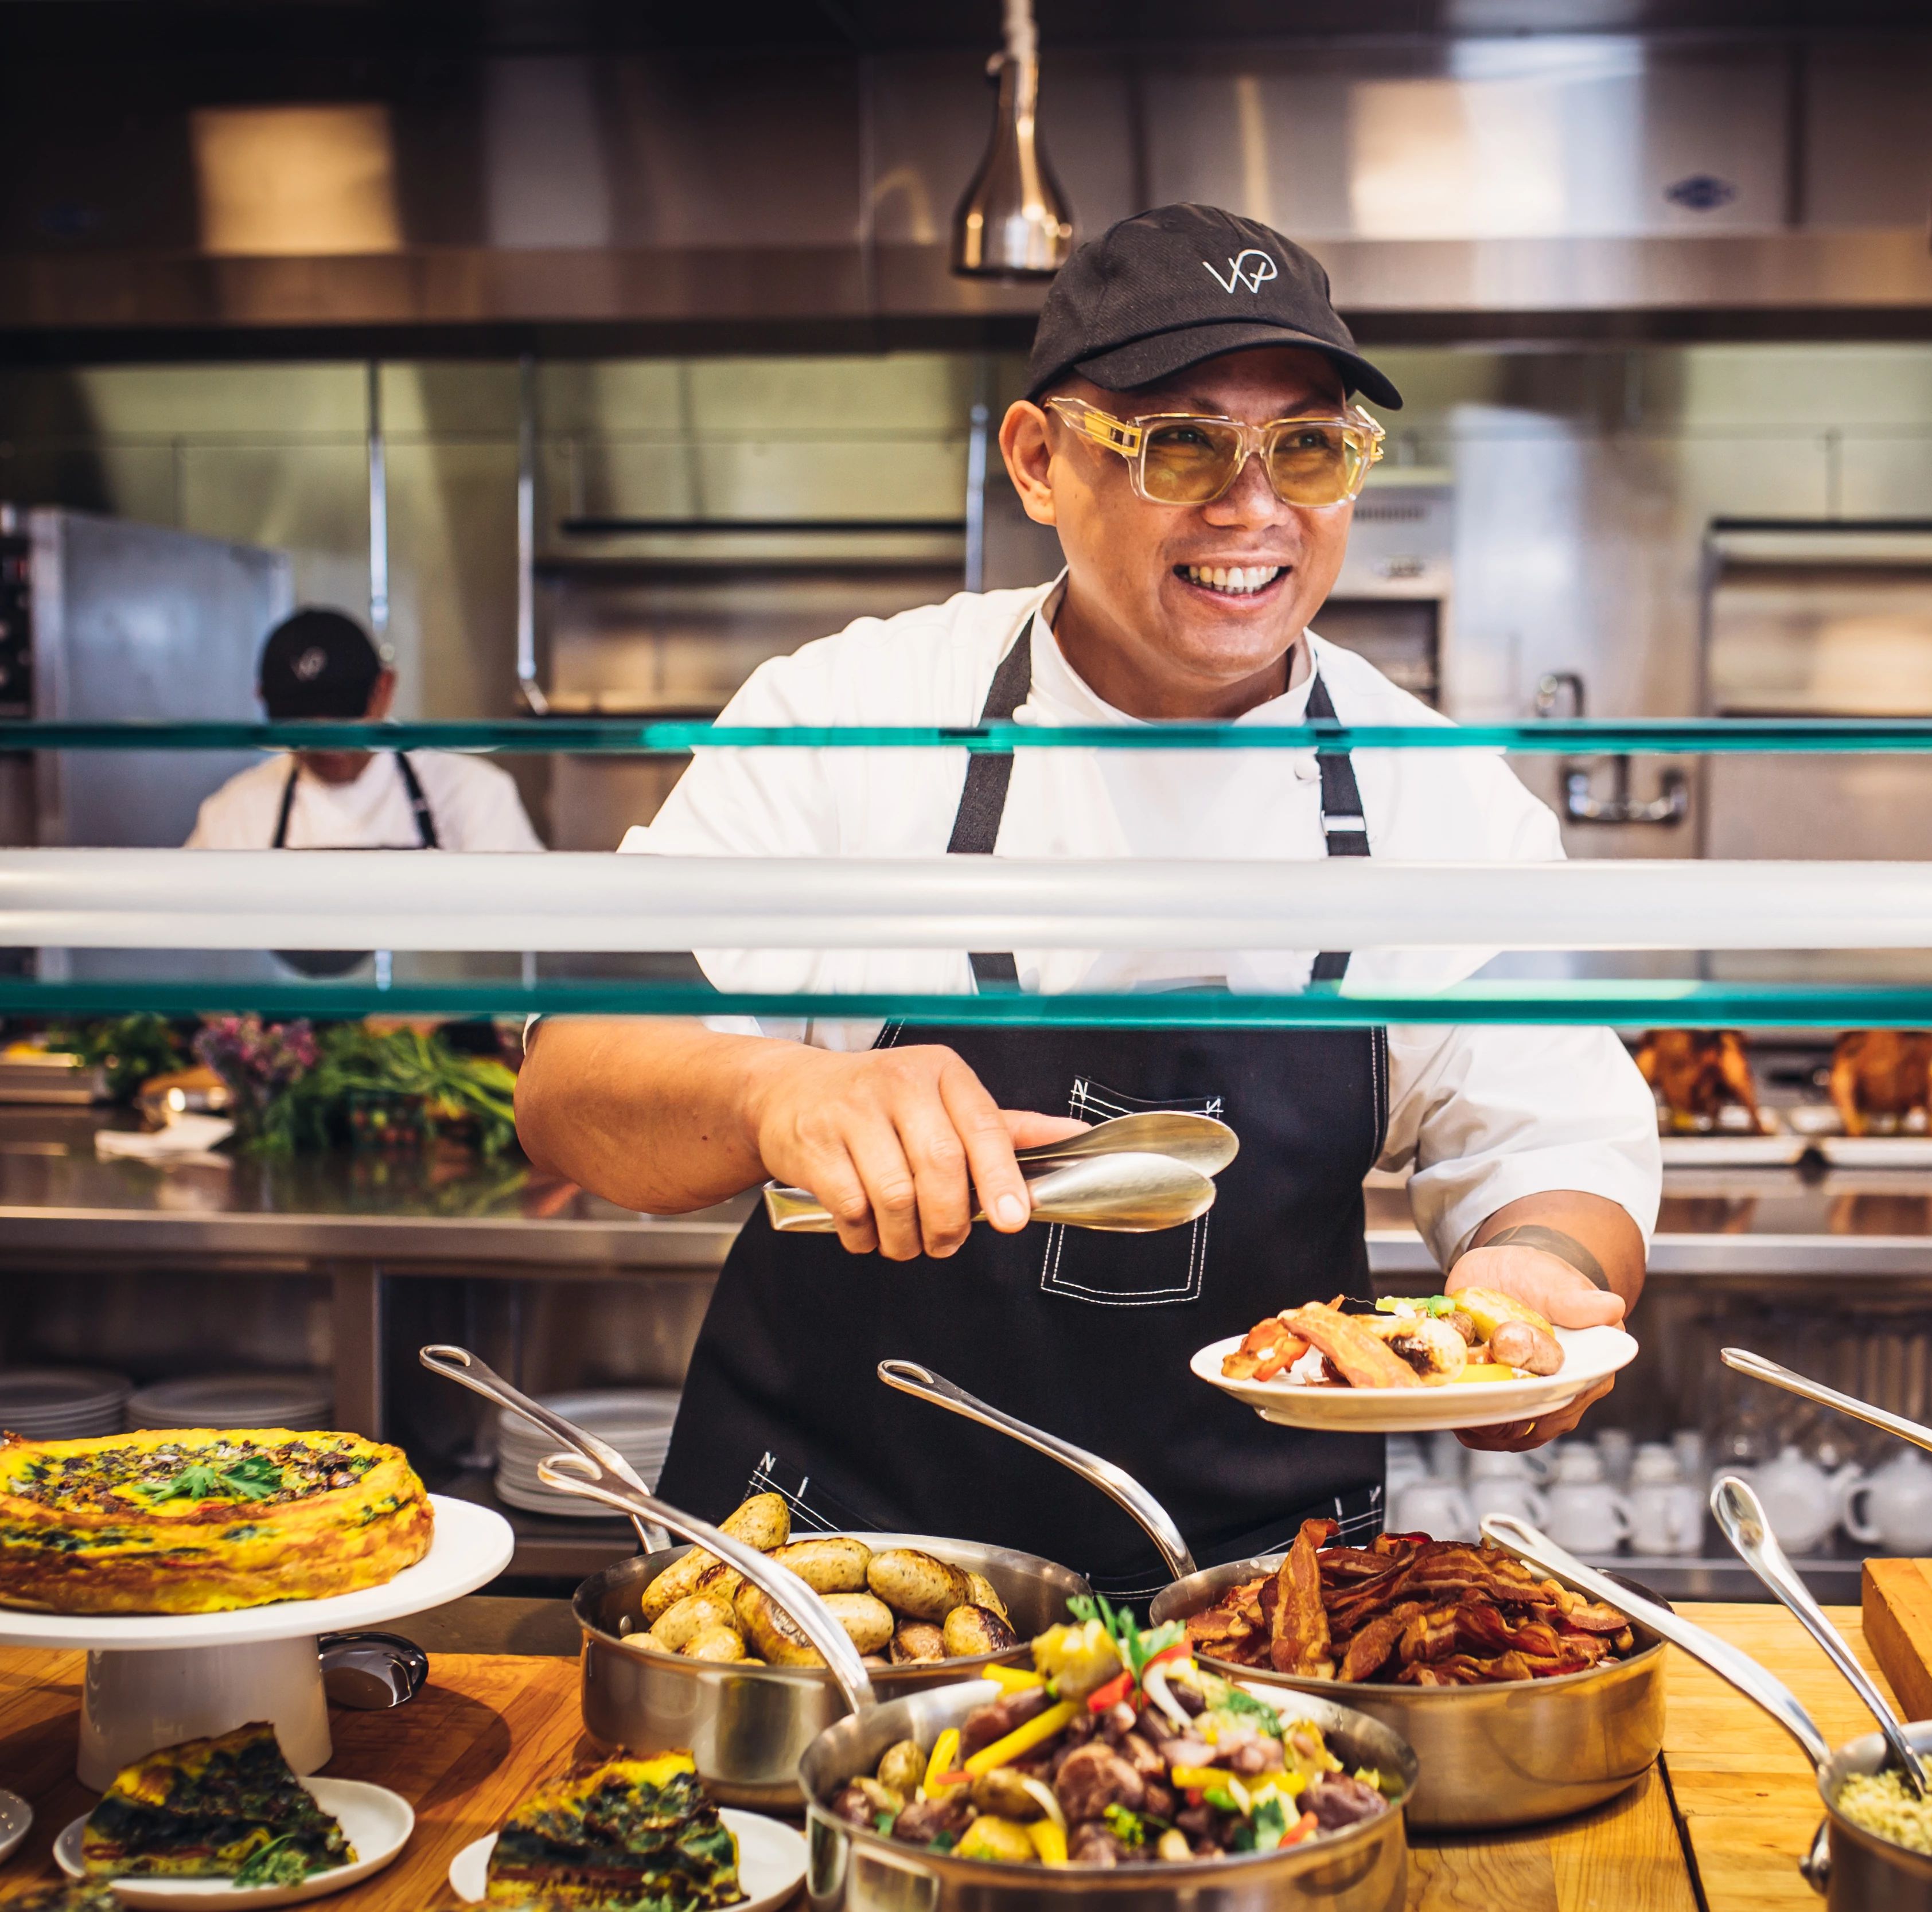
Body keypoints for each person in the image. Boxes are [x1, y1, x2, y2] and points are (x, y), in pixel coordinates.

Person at [515, 204, 1662, 1596]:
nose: (1253, 509)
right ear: (1038, 460)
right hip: (846, 1582)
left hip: (1258, 1598)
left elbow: (1556, 1137)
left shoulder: (1438, 792)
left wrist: (1533, 1268)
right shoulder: (850, 715)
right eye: (1181, 444)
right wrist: (776, 1096)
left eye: (1305, 446)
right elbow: (571, 1086)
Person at [184, 607, 543, 854]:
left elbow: (528, 925)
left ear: (384, 690)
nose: (324, 739)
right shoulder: (235, 812)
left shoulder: (473, 796)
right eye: (300, 719)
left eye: (343, 713)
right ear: (264, 703)